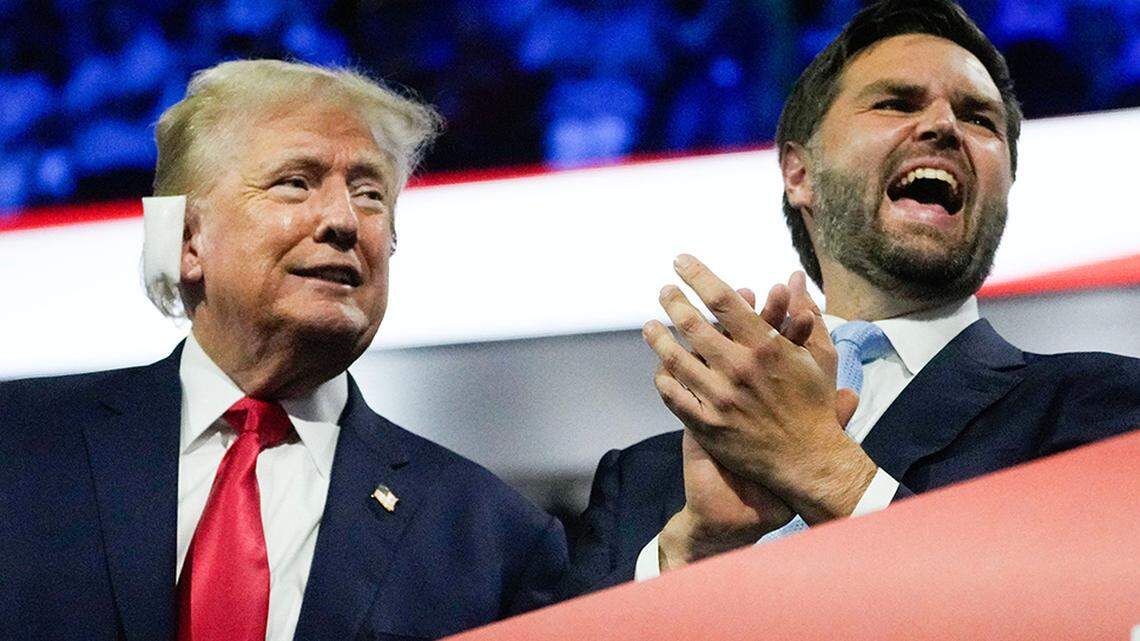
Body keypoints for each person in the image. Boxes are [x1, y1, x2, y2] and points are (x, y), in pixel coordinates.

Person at [563, 0, 1140, 594]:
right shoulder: (641, 480)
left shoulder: (1107, 413)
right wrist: (689, 552)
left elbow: (1072, 618)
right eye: (897, 102)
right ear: (799, 173)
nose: (943, 125)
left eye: (979, 119)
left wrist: (825, 469)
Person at [0, 60, 565, 641]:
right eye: (296, 182)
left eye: (370, 194)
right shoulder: (18, 446)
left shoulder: (493, 539)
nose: (344, 220)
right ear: (188, 240)